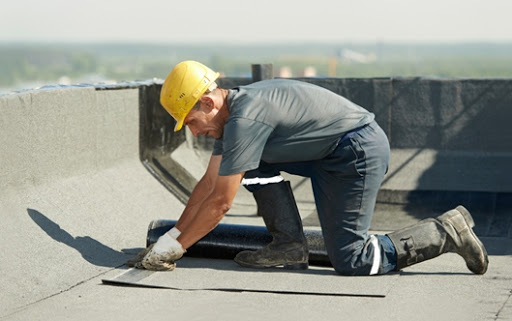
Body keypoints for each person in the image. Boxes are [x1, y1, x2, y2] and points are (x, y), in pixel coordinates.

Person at [140, 60, 488, 276]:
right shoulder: (232, 119)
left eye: (191, 121)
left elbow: (220, 204)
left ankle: (444, 232)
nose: (194, 131)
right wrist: (171, 237)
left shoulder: (245, 119)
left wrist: (176, 248)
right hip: (329, 154)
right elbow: (208, 186)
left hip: (355, 154)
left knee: (353, 260)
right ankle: (289, 245)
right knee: (248, 162)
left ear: (207, 101)